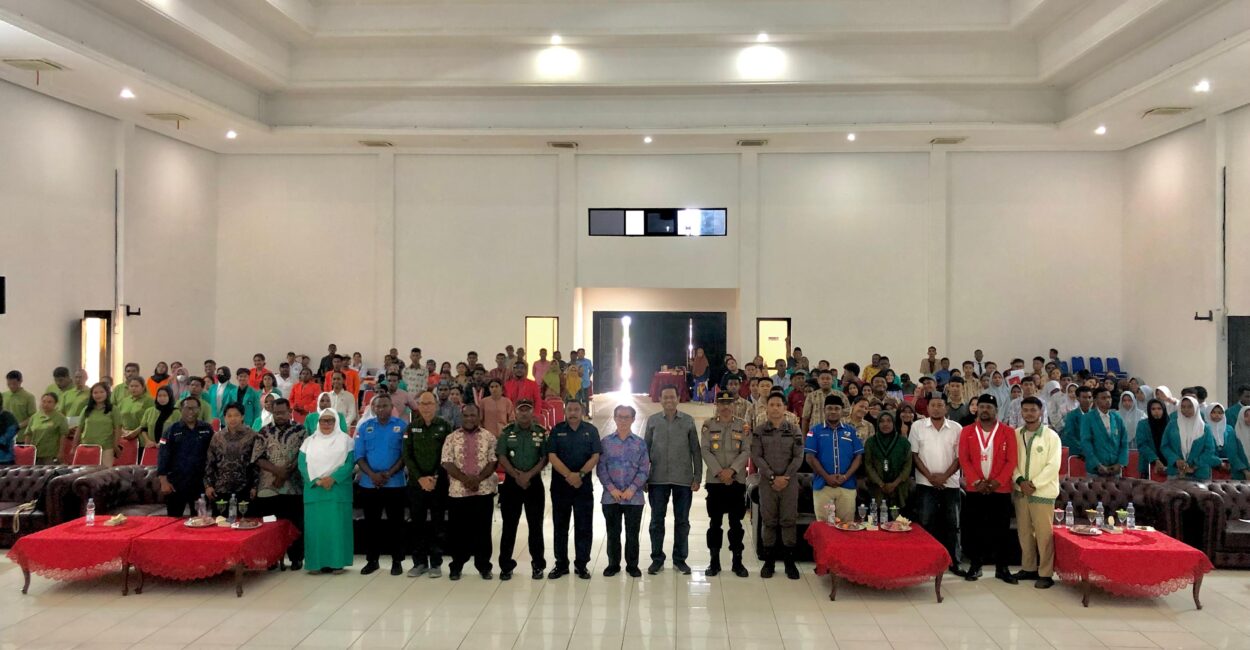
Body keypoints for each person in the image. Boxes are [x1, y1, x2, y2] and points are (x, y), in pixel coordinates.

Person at [958, 394, 1018, 583]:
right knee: (975, 529)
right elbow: (964, 459)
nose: (985, 410)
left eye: (989, 407)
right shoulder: (967, 431)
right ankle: (975, 566)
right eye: (982, 406)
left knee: (1001, 530)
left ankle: (1002, 568)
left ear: (996, 410)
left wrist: (997, 482)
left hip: (1000, 489)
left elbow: (1011, 461)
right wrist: (977, 481)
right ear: (977, 409)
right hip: (975, 489)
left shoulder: (1008, 431)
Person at [643, 386, 701, 575]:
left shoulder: (688, 421)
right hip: (657, 479)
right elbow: (645, 451)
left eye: (672, 397)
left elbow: (696, 450)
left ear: (678, 399)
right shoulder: (652, 421)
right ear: (660, 399)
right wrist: (643, 477)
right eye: (665, 397)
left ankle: (680, 559)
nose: (669, 400)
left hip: (683, 479)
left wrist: (697, 476)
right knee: (656, 521)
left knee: (682, 521)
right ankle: (657, 559)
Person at [441, 404, 498, 580]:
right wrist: (466, 480)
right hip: (458, 493)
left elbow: (493, 461)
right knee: (458, 532)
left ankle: (484, 566)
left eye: (473, 415)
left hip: (483, 491)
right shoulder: (451, 438)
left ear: (479, 417)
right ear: (461, 417)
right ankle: (456, 566)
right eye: (466, 416)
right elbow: (447, 462)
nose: (469, 419)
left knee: (483, 531)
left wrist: (478, 479)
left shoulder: (489, 437)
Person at [546, 400, 601, 580]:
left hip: (583, 486)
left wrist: (580, 475)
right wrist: (569, 475)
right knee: (560, 526)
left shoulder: (591, 430)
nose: (573, 412)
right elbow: (552, 456)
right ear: (565, 412)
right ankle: (561, 564)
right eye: (569, 409)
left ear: (582, 411)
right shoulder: (557, 430)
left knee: (584, 526)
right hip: (560, 487)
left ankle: (581, 565)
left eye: (576, 409)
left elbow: (595, 456)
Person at [911, 394, 964, 576]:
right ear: (927, 408)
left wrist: (944, 477)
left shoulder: (956, 428)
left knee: (953, 523)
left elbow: (960, 457)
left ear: (946, 407)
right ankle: (925, 561)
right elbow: (914, 455)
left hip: (951, 484)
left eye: (940, 405)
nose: (936, 408)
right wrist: (931, 477)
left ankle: (955, 562)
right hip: (925, 483)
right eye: (933, 405)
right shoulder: (917, 426)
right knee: (926, 522)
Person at [355, 394, 408, 576]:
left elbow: (405, 455)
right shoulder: (364, 427)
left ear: (391, 407)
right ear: (373, 408)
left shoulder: (401, 426)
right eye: (377, 406)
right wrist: (372, 475)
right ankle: (372, 561)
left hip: (395, 483)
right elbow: (359, 456)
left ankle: (397, 561)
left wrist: (389, 473)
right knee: (371, 525)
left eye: (385, 406)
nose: (381, 409)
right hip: (369, 484)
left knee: (396, 525)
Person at [752, 392, 804, 580]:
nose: (775, 408)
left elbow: (798, 456)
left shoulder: (794, 430)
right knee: (769, 521)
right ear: (766, 408)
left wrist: (785, 477)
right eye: (771, 405)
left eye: (778, 405)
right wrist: (773, 476)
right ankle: (769, 562)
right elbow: (757, 456)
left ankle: (790, 563)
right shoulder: (759, 430)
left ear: (785, 408)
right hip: (768, 482)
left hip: (789, 483)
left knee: (788, 520)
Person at [496, 399, 548, 581]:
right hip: (512, 484)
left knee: (536, 526)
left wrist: (528, 475)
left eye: (527, 410)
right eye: (521, 410)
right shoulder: (507, 432)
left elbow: (545, 457)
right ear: (515, 413)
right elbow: (501, 455)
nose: (524, 413)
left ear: (532, 412)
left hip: (534, 483)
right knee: (509, 526)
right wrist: (516, 475)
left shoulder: (540, 433)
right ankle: (505, 566)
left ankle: (538, 565)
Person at [403, 390, 453, 578]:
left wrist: (435, 477)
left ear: (436, 405)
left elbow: (447, 454)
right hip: (417, 485)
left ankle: (436, 563)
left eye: (430, 403)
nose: (426, 407)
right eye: (423, 403)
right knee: (417, 524)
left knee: (438, 524)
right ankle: (419, 563)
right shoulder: (411, 428)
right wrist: (420, 478)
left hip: (438, 484)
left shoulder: (445, 426)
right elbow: (407, 455)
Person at [1012, 396, 1061, 588]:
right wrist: (1020, 481)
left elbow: (1053, 465)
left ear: (1040, 412)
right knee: (1024, 533)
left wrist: (1034, 484)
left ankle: (1046, 573)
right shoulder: (1016, 434)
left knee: (1044, 535)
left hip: (1042, 492)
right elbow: (1011, 462)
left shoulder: (1051, 436)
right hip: (1020, 491)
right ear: (1021, 412)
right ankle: (1029, 568)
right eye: (1025, 410)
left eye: (1033, 410)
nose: (1029, 414)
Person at [700, 393, 750, 577]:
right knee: (715, 523)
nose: (725, 407)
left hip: (736, 481)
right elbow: (705, 450)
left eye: (729, 403)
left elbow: (746, 450)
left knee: (736, 523)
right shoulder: (709, 425)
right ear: (717, 405)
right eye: (722, 403)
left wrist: (732, 471)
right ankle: (714, 562)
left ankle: (737, 562)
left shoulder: (743, 425)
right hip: (715, 481)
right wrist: (720, 472)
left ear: (734, 405)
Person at [300, 408, 355, 574]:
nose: (326, 424)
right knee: (315, 530)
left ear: (336, 422)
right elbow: (302, 465)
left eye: (331, 420)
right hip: (315, 491)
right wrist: (316, 480)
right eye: (323, 420)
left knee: (337, 529)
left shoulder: (346, 441)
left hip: (337, 490)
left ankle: (337, 563)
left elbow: (350, 463)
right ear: (318, 422)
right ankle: (315, 564)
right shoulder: (309, 442)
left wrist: (333, 478)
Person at [598, 404, 651, 578]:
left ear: (633, 419)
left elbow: (644, 469)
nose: (623, 420)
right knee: (613, 533)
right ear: (614, 418)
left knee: (632, 534)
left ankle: (632, 565)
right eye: (619, 417)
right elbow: (601, 468)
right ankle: (613, 564)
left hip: (634, 498)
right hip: (611, 497)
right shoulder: (606, 442)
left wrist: (632, 489)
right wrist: (611, 489)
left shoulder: (640, 443)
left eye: (626, 417)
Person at [255, 398, 308, 570]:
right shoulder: (264, 431)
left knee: (294, 523)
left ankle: (296, 558)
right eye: (276, 413)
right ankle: (271, 559)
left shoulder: (301, 430)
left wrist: (285, 474)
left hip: (293, 486)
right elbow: (258, 458)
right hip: (268, 486)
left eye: (282, 412)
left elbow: (303, 455)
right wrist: (277, 472)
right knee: (270, 525)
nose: (279, 416)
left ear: (289, 411)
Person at [805, 395, 863, 524]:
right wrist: (827, 477)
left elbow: (858, 457)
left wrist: (845, 477)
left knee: (846, 526)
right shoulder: (814, 431)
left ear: (842, 411)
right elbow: (809, 457)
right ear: (824, 410)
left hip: (847, 485)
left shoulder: (851, 431)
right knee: (824, 527)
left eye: (836, 408)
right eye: (829, 408)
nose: (833, 411)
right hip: (823, 486)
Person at [157, 398, 215, 516]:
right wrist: (163, 481)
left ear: (199, 410)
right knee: (173, 520)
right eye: (187, 408)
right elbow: (163, 456)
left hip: (200, 483)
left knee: (200, 520)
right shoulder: (171, 430)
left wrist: (211, 482)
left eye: (194, 408)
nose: (191, 411)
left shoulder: (207, 429)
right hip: (177, 483)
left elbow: (214, 455)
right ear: (180, 409)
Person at [203, 403, 262, 512]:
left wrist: (255, 486)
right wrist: (208, 485)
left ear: (242, 416)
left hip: (245, 489)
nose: (232, 419)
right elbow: (210, 462)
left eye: (236, 415)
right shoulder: (217, 437)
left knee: (245, 520)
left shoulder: (252, 436)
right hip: (220, 488)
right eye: (229, 415)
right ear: (224, 417)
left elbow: (257, 463)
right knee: (221, 521)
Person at [1161, 396, 1218, 480]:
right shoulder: (1172, 425)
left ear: (1196, 407)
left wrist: (1194, 464)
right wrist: (1176, 460)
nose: (1186, 409)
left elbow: (1210, 450)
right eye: (1183, 407)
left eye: (1190, 406)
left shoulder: (1205, 428)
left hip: (1199, 473)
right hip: (1176, 472)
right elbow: (1165, 446)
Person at [864, 410, 911, 510]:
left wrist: (894, 484)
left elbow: (907, 466)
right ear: (878, 424)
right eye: (882, 421)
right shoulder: (871, 442)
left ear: (893, 423)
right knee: (878, 516)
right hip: (877, 488)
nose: (885, 424)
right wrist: (881, 484)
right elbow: (868, 465)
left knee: (898, 518)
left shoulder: (903, 443)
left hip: (899, 487)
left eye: (889, 421)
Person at [1080, 388, 1129, 476]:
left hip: (1115, 468)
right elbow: (1086, 443)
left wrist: (1120, 463)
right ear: (1095, 401)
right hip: (1096, 470)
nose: (1108, 400)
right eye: (1103, 398)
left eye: (1109, 397)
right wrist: (1097, 464)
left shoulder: (1117, 417)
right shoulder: (1087, 418)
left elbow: (1124, 442)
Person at [74, 382, 121, 465]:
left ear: (107, 393)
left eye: (101, 392)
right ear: (91, 395)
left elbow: (117, 428)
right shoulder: (86, 409)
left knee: (105, 471)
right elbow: (79, 428)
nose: (98, 395)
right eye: (95, 393)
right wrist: (74, 445)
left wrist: (115, 445)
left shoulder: (113, 409)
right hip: (87, 447)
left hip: (106, 447)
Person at [22, 393, 69, 463]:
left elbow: (63, 436)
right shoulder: (35, 417)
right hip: (34, 453)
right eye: (43, 401)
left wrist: (60, 452)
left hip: (50, 454)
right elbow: (28, 434)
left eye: (49, 402)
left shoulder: (60, 418)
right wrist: (26, 450)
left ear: (55, 404)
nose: (46, 404)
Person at [1135, 399, 1170, 478]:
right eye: (1153, 409)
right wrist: (1155, 460)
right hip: (1148, 464)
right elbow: (1142, 445)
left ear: (1164, 409)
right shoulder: (1143, 424)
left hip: (1169, 465)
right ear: (1149, 410)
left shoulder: (1170, 424)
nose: (1156, 411)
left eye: (1159, 408)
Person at [137, 386, 178, 453]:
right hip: (151, 447)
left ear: (170, 397)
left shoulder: (176, 413)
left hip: (169, 449)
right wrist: (148, 441)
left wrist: (163, 442)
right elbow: (143, 429)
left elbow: (178, 432)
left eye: (165, 396)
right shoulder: (149, 411)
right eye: (159, 396)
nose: (162, 398)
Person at [1062, 386, 1094, 452]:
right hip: (1078, 452)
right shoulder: (1071, 415)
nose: (1087, 400)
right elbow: (1069, 436)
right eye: (1084, 397)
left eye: (1089, 397)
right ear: (1078, 398)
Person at [1232, 408, 1250, 479]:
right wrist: (1245, 471)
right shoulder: (1234, 434)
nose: (1249, 418)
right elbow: (1233, 455)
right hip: (1240, 474)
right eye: (1246, 416)